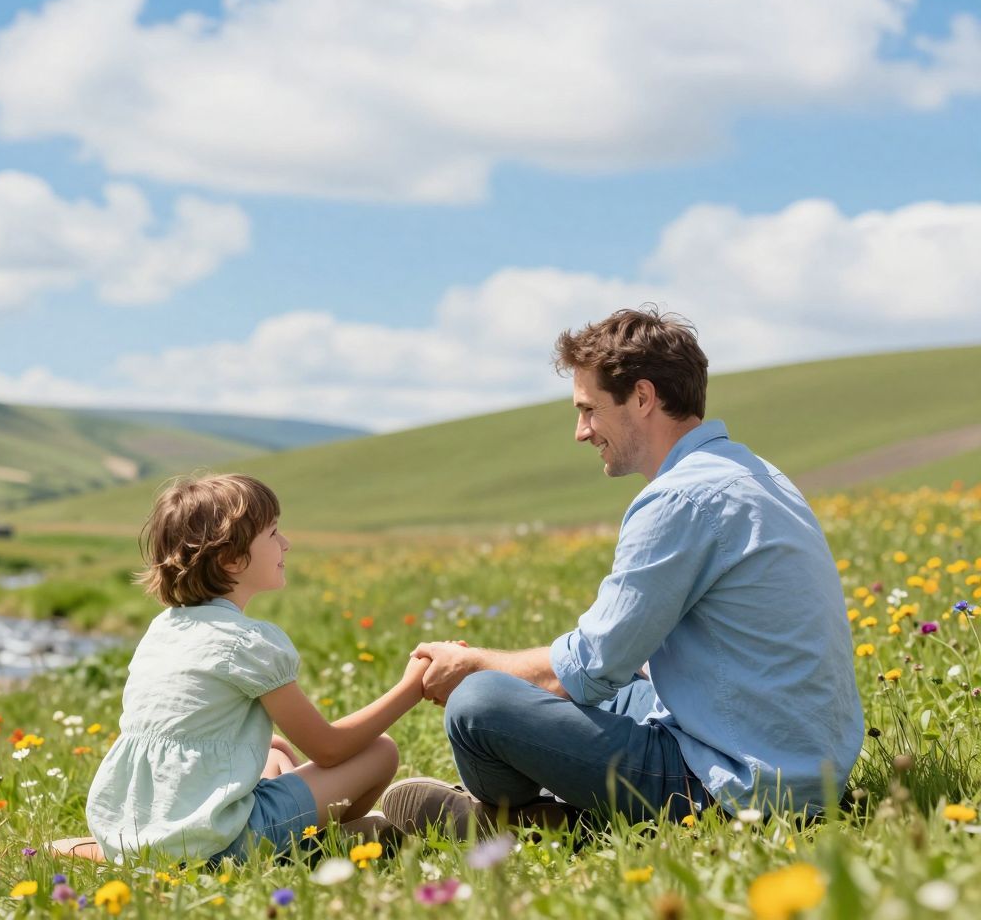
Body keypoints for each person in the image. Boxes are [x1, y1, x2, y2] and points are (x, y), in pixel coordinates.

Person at [381, 307, 864, 834]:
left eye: (589, 410)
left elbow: (588, 668)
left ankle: (517, 823)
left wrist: (472, 664)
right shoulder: (754, 474)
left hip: (738, 786)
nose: (581, 432)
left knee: (479, 704)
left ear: (642, 397)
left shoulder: (682, 499)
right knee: (617, 688)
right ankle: (555, 814)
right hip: (798, 764)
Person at [83, 473, 427, 864]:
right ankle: (315, 846)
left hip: (135, 832)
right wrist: (412, 687)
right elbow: (329, 749)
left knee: (274, 751)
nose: (286, 543)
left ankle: (91, 849)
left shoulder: (163, 629)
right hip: (218, 842)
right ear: (230, 557)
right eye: (273, 533)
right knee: (379, 752)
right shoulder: (245, 643)